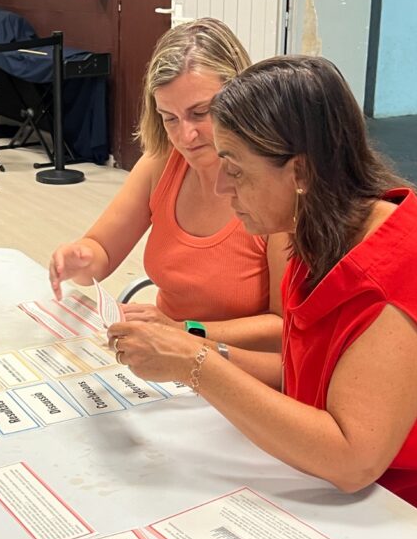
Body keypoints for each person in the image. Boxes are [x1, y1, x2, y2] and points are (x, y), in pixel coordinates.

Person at [107, 56, 417, 539]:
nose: (224, 189)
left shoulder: (406, 266)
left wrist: (196, 363)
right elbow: (310, 374)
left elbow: (351, 458)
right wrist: (194, 343)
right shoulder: (315, 233)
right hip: (387, 512)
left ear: (300, 172)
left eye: (236, 170)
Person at [49, 18, 286, 351]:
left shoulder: (278, 186)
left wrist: (182, 331)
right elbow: (100, 253)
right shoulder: (161, 163)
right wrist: (79, 258)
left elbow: (285, 326)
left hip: (240, 367)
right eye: (169, 118)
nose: (185, 136)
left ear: (242, 98)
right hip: (168, 356)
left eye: (201, 113)